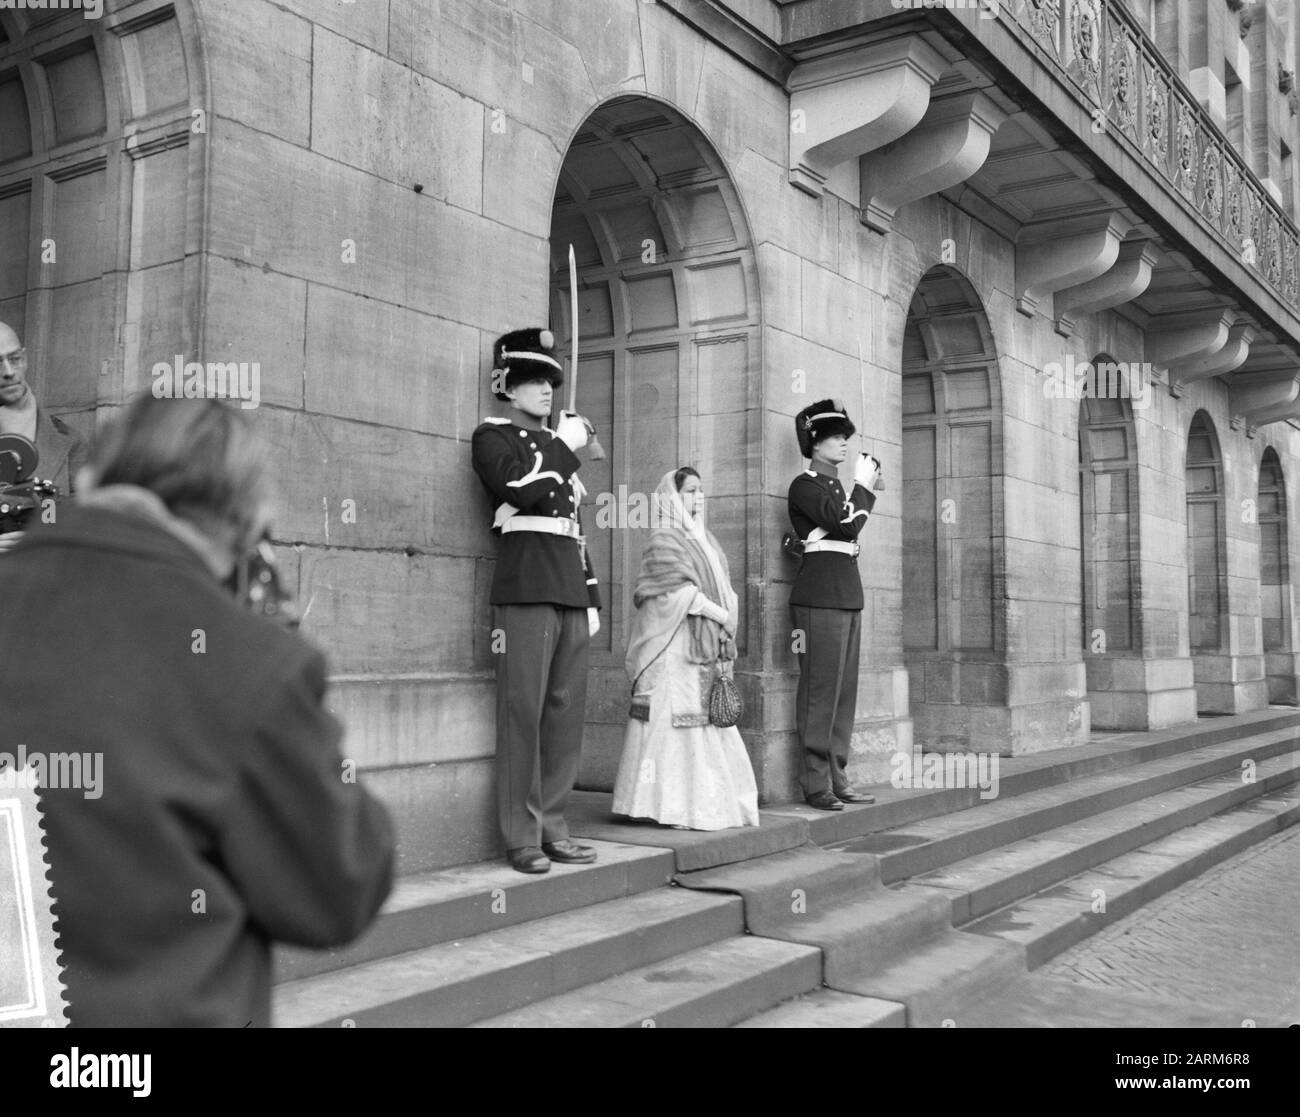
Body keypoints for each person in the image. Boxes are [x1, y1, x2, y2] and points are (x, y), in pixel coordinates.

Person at [0, 395, 395, 1026]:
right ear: (244, 519)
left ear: (96, 478)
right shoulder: (244, 661)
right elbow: (339, 889)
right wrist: (275, 645)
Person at [471, 328, 602, 874]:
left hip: (567, 584)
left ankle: (554, 825)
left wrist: (591, 596)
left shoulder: (559, 446)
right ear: (506, 386)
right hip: (525, 586)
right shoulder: (491, 436)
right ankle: (521, 835)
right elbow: (520, 489)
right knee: (522, 713)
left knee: (562, 715)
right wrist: (561, 446)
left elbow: (575, 529)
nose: (545, 390)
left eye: (550, 380)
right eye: (532, 380)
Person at [613, 467, 760, 831]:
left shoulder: (705, 539)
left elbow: (723, 584)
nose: (697, 497)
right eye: (690, 491)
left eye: (700, 491)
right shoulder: (663, 539)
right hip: (675, 643)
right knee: (676, 720)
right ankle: (665, 806)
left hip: (705, 642)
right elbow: (669, 593)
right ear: (673, 497)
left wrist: (730, 615)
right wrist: (719, 613)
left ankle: (704, 805)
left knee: (704, 719)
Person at [788, 399, 882, 811]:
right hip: (818, 597)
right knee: (819, 692)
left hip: (845, 593)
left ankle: (837, 775)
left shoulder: (838, 489)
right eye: (836, 438)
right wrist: (862, 485)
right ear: (815, 442)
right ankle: (815, 782)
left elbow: (846, 525)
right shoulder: (804, 485)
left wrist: (856, 491)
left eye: (845, 438)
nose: (844, 444)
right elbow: (846, 524)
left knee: (843, 694)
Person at [0, 319, 88, 553]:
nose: (8, 372)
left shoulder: (70, 442)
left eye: (14, 359)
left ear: (25, 359)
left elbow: (90, 522)